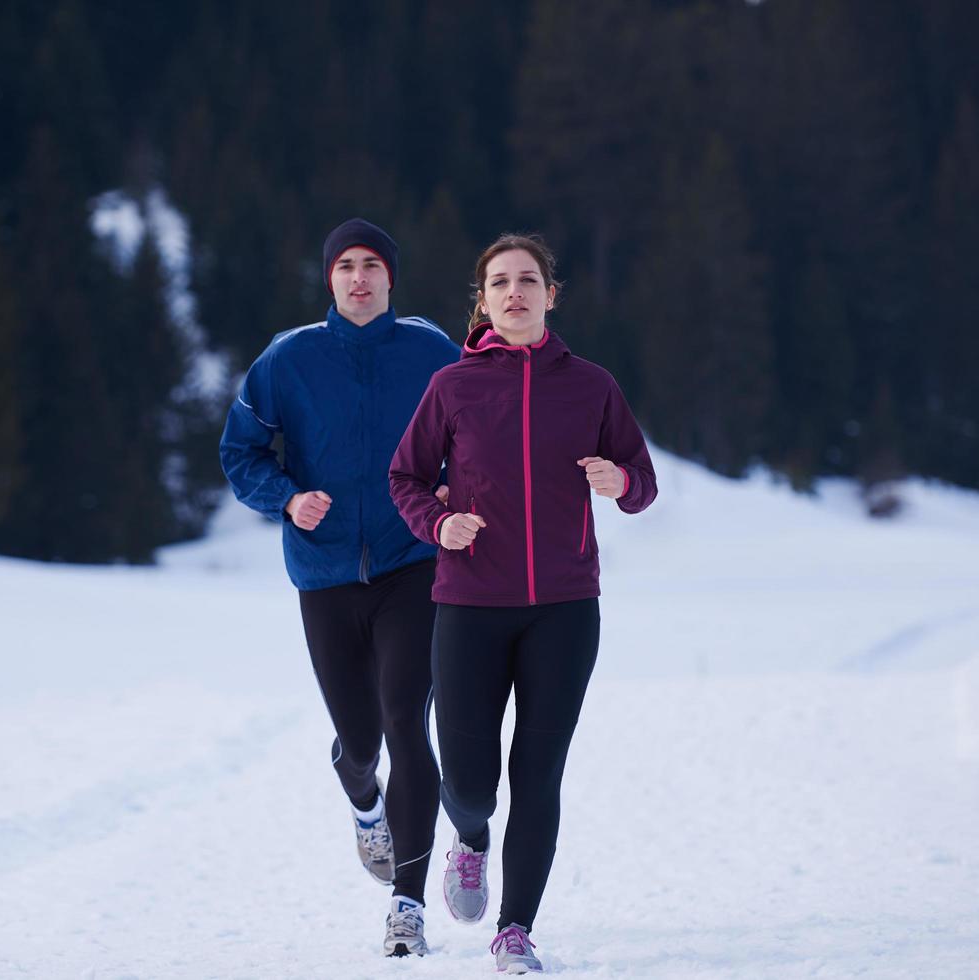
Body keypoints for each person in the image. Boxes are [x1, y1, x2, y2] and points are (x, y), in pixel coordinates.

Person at [389, 233, 657, 974]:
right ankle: (469, 840)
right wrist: (439, 524)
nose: (515, 292)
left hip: (565, 608)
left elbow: (641, 478)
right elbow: (405, 478)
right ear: (481, 301)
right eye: (500, 282)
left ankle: (515, 930)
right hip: (469, 603)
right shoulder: (453, 386)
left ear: (550, 294)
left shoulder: (592, 385)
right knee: (470, 782)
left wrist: (620, 482)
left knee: (538, 772)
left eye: (528, 280)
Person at [219, 218, 459, 957]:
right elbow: (241, 450)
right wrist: (288, 499)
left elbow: (471, 436)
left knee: (404, 725)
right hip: (323, 573)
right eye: (345, 266)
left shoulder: (430, 351)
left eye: (372, 266)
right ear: (328, 278)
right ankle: (362, 799)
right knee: (360, 743)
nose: (359, 277)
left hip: (412, 563)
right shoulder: (288, 359)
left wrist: (450, 495)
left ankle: (407, 907)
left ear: (391, 278)